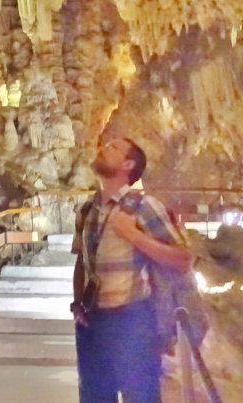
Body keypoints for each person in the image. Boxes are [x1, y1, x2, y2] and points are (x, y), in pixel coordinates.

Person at [71, 137, 192, 403]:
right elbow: (82, 261)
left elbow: (183, 259)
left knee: (140, 396)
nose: (102, 148)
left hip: (131, 319)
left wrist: (134, 236)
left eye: (113, 148)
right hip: (91, 321)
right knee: (93, 396)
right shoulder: (87, 209)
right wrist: (78, 302)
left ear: (128, 164)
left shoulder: (144, 206)